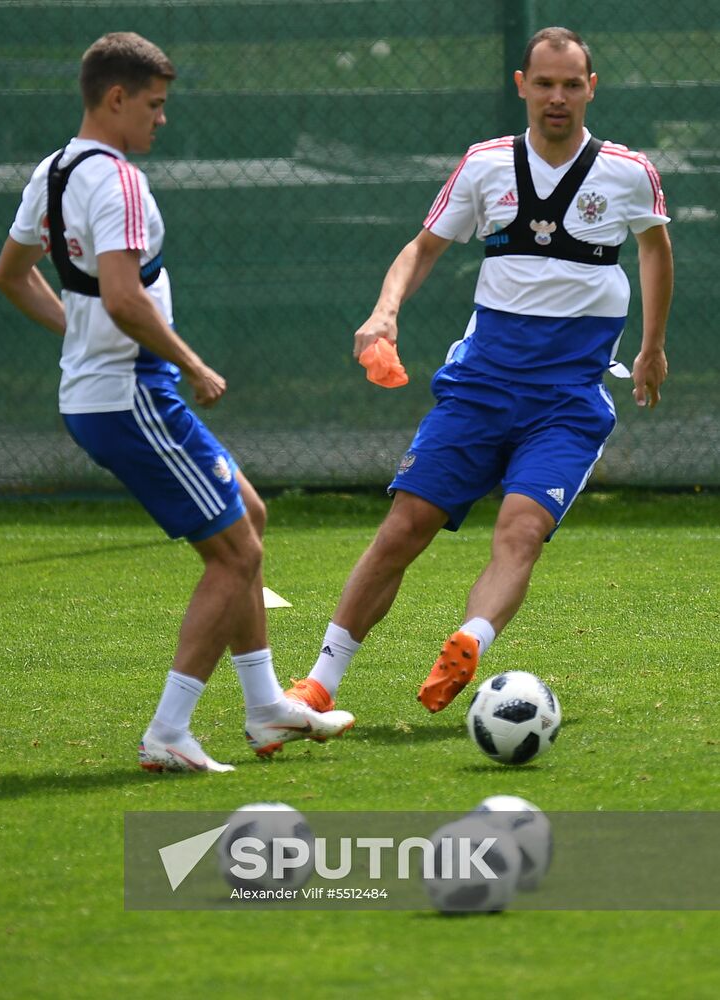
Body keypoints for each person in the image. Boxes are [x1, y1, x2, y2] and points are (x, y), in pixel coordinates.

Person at [285, 26, 673, 716]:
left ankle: (469, 640)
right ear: (521, 86)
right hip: (480, 388)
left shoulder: (627, 172)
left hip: (568, 400)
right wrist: (384, 313)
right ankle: (320, 681)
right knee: (405, 526)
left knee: (520, 530)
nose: (558, 97)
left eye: (572, 84)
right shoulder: (485, 165)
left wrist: (651, 346)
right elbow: (422, 247)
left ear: (592, 89)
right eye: (545, 83)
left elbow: (654, 250)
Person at [0, 31, 354, 772]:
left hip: (103, 390)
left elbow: (10, 274)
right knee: (236, 554)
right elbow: (124, 299)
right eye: (154, 105)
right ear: (116, 98)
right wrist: (191, 362)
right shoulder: (118, 181)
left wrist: (79, 334)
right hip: (132, 393)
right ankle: (168, 729)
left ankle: (264, 709)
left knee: (247, 519)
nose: (163, 119)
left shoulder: (53, 171)